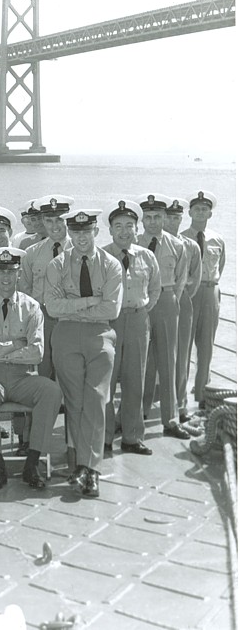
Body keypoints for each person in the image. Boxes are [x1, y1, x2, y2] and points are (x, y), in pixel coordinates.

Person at [0, 247, 62, 491]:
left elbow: (37, 352)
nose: (6, 278)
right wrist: (13, 345)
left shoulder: (31, 307)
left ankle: (33, 462)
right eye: (0, 272)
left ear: (19, 274)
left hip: (23, 378)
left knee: (51, 391)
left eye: (11, 272)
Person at [45, 209, 123, 499]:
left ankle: (91, 469)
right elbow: (52, 307)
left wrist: (73, 303)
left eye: (85, 232)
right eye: (75, 233)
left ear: (95, 233)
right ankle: (81, 466)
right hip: (65, 335)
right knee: (75, 401)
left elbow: (112, 309)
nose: (80, 238)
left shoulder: (111, 265)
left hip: (100, 335)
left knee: (96, 399)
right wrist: (91, 300)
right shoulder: (57, 265)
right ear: (70, 234)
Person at [102, 200, 161, 455]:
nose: (124, 231)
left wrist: (141, 310)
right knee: (106, 381)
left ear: (137, 228)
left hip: (138, 320)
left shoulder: (147, 256)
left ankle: (132, 437)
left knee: (135, 379)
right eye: (118, 226)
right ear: (111, 230)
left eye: (129, 226)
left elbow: (155, 289)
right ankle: (103, 437)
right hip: (109, 323)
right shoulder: (101, 257)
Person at [137, 193, 190, 440]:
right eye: (148, 217)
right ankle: (138, 413)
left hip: (167, 302)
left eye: (158, 216)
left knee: (168, 361)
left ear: (165, 217)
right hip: (140, 304)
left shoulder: (177, 246)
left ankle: (171, 419)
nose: (153, 221)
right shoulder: (134, 243)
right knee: (138, 363)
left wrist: (171, 302)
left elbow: (181, 281)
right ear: (142, 219)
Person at [19, 194, 74, 380]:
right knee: (43, 372)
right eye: (49, 220)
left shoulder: (80, 250)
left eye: (60, 219)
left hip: (70, 319)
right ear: (42, 221)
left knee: (69, 372)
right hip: (43, 319)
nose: (55, 225)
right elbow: (24, 290)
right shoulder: (31, 253)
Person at [182, 190, 226, 409]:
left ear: (210, 213)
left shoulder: (217, 239)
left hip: (210, 292)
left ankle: (201, 396)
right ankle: (179, 398)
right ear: (189, 212)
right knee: (183, 346)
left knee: (206, 346)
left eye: (204, 209)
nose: (200, 212)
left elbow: (221, 266)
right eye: (196, 208)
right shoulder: (180, 238)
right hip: (189, 293)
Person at [163, 198, 200, 422]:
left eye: (177, 217)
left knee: (182, 355)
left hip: (182, 300)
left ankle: (181, 404)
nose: (173, 221)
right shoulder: (152, 242)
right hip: (157, 299)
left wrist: (181, 297)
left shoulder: (190, 245)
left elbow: (193, 279)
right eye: (170, 216)